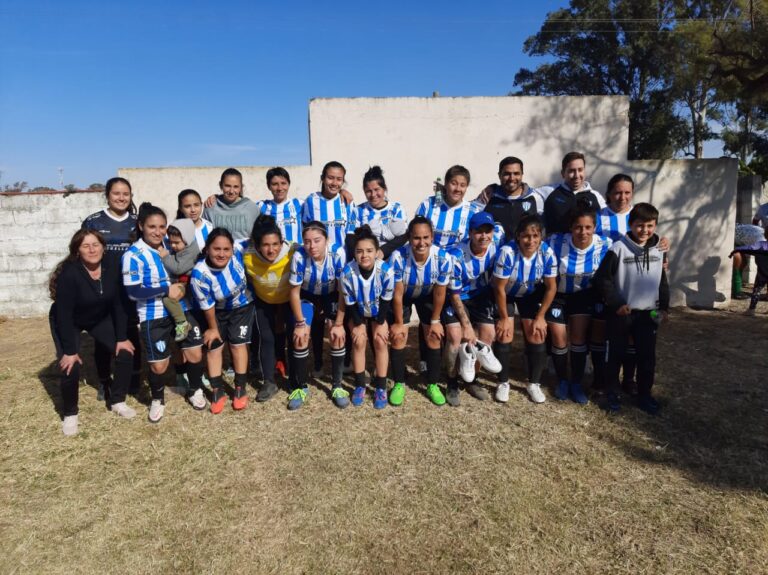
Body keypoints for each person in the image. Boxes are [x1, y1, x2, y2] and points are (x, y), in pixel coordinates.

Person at [122, 203, 207, 422]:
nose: (158, 232)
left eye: (162, 227)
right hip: (153, 315)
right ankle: (157, 399)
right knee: (159, 365)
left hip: (183, 308)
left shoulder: (172, 244)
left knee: (195, 353)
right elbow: (133, 292)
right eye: (152, 227)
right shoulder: (133, 255)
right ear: (141, 226)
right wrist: (165, 290)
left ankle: (195, 389)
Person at [48, 230, 137, 436]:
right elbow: (64, 315)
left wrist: (121, 338)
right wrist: (69, 351)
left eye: (96, 245)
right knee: (70, 365)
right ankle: (70, 413)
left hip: (97, 316)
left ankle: (117, 401)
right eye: (85, 246)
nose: (92, 250)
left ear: (103, 247)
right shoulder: (70, 274)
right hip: (68, 320)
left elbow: (118, 304)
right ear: (77, 251)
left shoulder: (112, 266)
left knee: (125, 352)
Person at [594, 203, 669, 414]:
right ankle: (611, 393)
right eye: (639, 225)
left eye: (650, 225)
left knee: (647, 357)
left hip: (648, 314)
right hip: (622, 313)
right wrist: (616, 303)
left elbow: (662, 281)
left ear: (655, 225)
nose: (644, 230)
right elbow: (602, 279)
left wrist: (664, 308)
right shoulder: (618, 248)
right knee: (615, 355)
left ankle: (644, 395)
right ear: (630, 224)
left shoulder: (660, 249)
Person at [546, 203, 612, 405]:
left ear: (594, 227)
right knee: (559, 338)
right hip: (557, 295)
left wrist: (661, 243)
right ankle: (562, 381)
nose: (583, 232)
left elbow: (630, 248)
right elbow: (531, 246)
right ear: (571, 227)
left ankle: (576, 383)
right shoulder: (555, 242)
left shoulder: (605, 244)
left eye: (588, 227)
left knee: (578, 338)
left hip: (583, 297)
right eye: (578, 227)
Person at [82, 177, 142, 398]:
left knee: (131, 333)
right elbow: (82, 252)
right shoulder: (93, 222)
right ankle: (104, 381)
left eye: (126, 194)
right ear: (107, 195)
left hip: (130, 290)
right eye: (116, 193)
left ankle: (134, 378)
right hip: (102, 289)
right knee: (103, 336)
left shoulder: (138, 221)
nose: (121, 198)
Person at [492, 214, 558, 404]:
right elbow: (499, 288)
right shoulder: (507, 252)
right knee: (505, 333)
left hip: (529, 294)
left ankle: (534, 383)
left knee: (537, 333)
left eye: (535, 236)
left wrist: (541, 316)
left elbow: (551, 287)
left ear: (541, 237)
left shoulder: (547, 253)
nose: (531, 241)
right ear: (518, 236)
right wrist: (504, 317)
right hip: (507, 293)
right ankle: (503, 382)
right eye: (526, 236)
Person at [190, 228, 255, 413]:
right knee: (214, 346)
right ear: (207, 249)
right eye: (216, 249)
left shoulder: (240, 249)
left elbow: (258, 237)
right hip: (216, 311)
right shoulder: (199, 275)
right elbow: (207, 305)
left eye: (226, 249)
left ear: (232, 248)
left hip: (242, 306)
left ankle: (240, 388)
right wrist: (213, 328)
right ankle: (217, 390)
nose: (221, 254)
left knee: (237, 344)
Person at [389, 216, 451, 406]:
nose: (421, 242)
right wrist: (399, 323)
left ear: (432, 237)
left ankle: (432, 384)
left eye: (425, 237)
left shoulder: (443, 258)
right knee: (398, 336)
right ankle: (399, 383)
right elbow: (397, 294)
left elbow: (440, 293)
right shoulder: (398, 256)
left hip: (428, 295)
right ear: (409, 238)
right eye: (416, 238)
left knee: (433, 335)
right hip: (405, 295)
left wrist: (435, 321)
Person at [443, 212, 503, 407]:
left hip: (480, 296)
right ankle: (452, 381)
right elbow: (454, 295)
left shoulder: (496, 245)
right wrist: (466, 325)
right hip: (457, 297)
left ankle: (471, 379)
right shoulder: (456, 256)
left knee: (488, 334)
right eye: (479, 232)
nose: (484, 236)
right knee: (455, 336)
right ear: (470, 233)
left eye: (488, 231)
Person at [287, 221, 349, 410]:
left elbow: (342, 291)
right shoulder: (299, 256)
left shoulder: (338, 253)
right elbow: (294, 292)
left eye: (317, 240)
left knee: (336, 334)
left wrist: (339, 322)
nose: (311, 246)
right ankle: (301, 387)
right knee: (300, 336)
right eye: (307, 241)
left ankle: (337, 386)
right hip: (307, 296)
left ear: (326, 240)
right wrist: (300, 323)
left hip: (331, 295)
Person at [242, 215, 296, 402]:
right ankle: (269, 382)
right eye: (265, 245)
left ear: (281, 242)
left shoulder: (293, 250)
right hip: (263, 301)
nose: (271, 249)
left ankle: (295, 379)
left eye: (275, 244)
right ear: (257, 245)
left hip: (289, 300)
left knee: (292, 337)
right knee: (267, 338)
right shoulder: (246, 254)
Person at [340, 226, 394, 409]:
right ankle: (360, 385)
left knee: (380, 340)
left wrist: (380, 322)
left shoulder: (386, 271)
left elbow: (386, 301)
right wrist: (358, 324)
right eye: (359, 251)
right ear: (354, 253)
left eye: (369, 251)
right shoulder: (347, 273)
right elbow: (350, 303)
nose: (364, 255)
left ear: (377, 252)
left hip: (379, 312)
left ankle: (380, 387)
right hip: (358, 311)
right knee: (359, 340)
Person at [539, 152, 607, 235]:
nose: (576, 175)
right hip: (555, 243)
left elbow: (606, 224)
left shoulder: (596, 196)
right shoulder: (548, 192)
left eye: (580, 170)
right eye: (572, 171)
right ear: (563, 173)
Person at [475, 156, 541, 240]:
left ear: (522, 175)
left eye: (516, 173)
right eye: (507, 174)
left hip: (524, 248)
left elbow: (542, 229)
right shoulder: (488, 196)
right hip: (495, 248)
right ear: (499, 175)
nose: (512, 178)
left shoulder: (535, 197)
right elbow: (468, 214)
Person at [416, 165, 480, 249]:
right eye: (453, 183)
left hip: (458, 256)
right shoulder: (428, 205)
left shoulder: (473, 212)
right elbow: (415, 234)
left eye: (462, 185)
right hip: (429, 255)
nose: (458, 189)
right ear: (446, 184)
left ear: (466, 187)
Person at [301, 161, 358, 250]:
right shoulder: (310, 201)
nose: (334, 183)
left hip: (342, 257)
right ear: (322, 178)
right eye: (330, 178)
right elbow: (305, 230)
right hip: (317, 256)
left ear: (343, 181)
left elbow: (351, 234)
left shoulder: (348, 202)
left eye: (339, 179)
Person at [356, 165, 409, 259]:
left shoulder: (397, 208)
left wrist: (383, 251)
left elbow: (403, 236)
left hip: (394, 260)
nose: (373, 194)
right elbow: (353, 238)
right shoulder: (358, 210)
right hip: (369, 261)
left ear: (384, 188)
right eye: (368, 191)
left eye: (377, 189)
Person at [203, 168, 261, 241]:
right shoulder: (210, 207)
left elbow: (260, 236)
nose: (231, 191)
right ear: (221, 185)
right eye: (227, 186)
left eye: (236, 186)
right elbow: (204, 237)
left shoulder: (252, 208)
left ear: (241, 187)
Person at [257, 167, 304, 245]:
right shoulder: (261, 206)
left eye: (283, 183)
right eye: (275, 184)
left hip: (296, 252)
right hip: (272, 252)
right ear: (268, 186)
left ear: (289, 184)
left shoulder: (300, 204)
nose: (280, 188)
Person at [730, 225, 768, 315]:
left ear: (766, 234)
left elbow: (749, 248)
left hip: (762, 274)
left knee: (757, 291)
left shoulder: (760, 244)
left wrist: (735, 250)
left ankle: (751, 310)